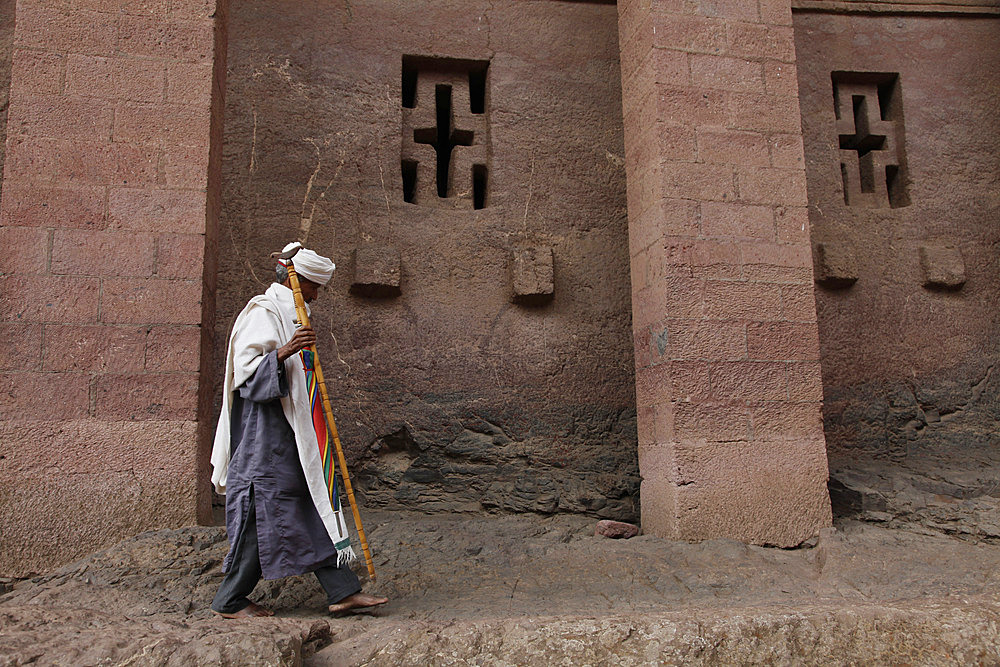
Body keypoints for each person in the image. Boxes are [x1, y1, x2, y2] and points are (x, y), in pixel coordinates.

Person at [209, 242, 387, 618]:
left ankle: (342, 591)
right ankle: (230, 599)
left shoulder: (292, 312)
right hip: (263, 438)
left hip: (291, 434)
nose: (316, 294)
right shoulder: (262, 312)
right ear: (298, 279)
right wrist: (286, 351)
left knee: (311, 505)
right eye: (313, 286)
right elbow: (246, 378)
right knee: (262, 516)